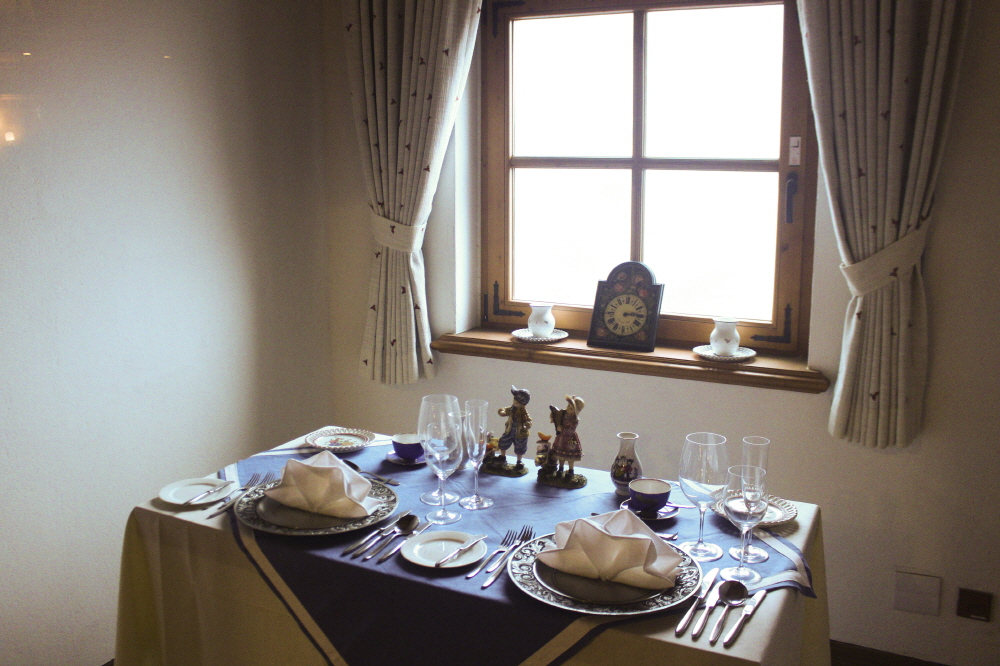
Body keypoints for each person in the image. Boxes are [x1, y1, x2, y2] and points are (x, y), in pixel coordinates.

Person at [497, 386, 532, 468]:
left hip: (520, 433)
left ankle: (519, 461)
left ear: (521, 404)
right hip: (510, 430)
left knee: (520, 447)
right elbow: (504, 409)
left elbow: (529, 421)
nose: (514, 403)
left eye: (516, 402)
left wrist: (525, 426)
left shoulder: (524, 413)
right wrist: (502, 411)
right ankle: (502, 456)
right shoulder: (512, 409)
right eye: (514, 401)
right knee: (503, 442)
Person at [550, 395, 584, 476]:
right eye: (568, 406)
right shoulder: (564, 414)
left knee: (570, 457)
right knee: (560, 455)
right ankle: (560, 468)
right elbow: (558, 416)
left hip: (570, 439)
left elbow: (571, 430)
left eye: (571, 408)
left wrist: (562, 429)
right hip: (561, 438)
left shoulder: (574, 420)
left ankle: (571, 470)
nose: (568, 408)